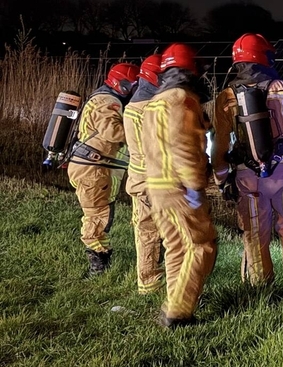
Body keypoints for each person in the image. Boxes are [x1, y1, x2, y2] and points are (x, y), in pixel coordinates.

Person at [211, 33, 283, 293]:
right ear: (266, 57)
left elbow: (220, 144)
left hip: (247, 177)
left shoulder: (225, 97)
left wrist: (222, 179)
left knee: (254, 232)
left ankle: (261, 288)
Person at [141, 43, 218, 328]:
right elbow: (183, 145)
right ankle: (178, 313)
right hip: (179, 189)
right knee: (202, 245)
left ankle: (175, 301)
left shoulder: (154, 102)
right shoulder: (183, 99)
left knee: (176, 247)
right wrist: (195, 185)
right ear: (189, 71)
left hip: (157, 186)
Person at [67, 62, 139, 276]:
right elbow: (113, 132)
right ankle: (97, 268)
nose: (136, 90)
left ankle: (102, 258)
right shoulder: (107, 101)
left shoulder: (106, 98)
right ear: (123, 84)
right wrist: (142, 129)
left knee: (101, 213)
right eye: (133, 85)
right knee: (97, 216)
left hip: (95, 168)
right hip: (93, 169)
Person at [122, 53, 164, 294]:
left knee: (146, 233)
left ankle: (148, 284)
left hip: (139, 183)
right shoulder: (156, 108)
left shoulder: (131, 108)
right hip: (161, 181)